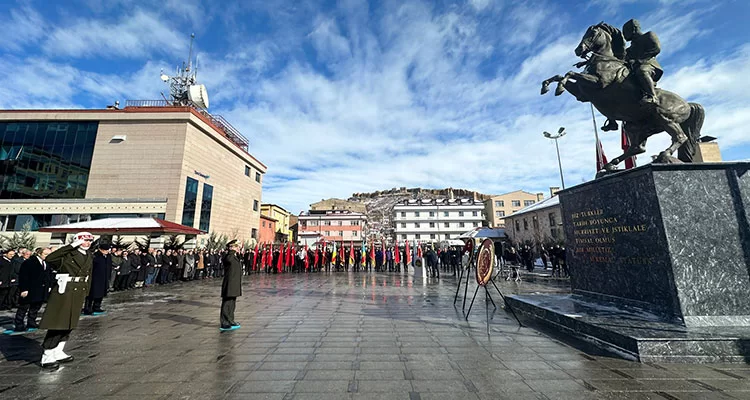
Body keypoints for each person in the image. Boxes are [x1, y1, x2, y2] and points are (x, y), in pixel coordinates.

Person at [39, 232, 95, 370]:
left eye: (89, 241)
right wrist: (70, 246)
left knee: (70, 323)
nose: (87, 243)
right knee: (58, 323)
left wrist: (86, 292)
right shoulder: (67, 254)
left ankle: (58, 350)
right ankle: (47, 354)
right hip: (65, 290)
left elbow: (89, 274)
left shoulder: (88, 255)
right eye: (85, 241)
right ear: (77, 241)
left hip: (79, 290)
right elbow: (50, 259)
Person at [623, 18, 663, 106]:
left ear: (634, 28)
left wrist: (639, 60)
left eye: (625, 31)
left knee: (642, 70)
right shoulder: (629, 49)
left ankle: (652, 97)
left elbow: (656, 48)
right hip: (635, 70)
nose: (624, 35)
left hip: (650, 66)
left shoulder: (648, 35)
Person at [13, 247, 52, 332]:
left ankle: (31, 321)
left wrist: (49, 286)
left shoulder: (46, 263)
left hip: (41, 289)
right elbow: (24, 276)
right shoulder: (29, 262)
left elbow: (48, 276)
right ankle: (19, 324)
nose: (47, 256)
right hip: (30, 289)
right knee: (23, 307)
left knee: (36, 307)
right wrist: (24, 289)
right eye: (45, 254)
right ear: (39, 253)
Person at [220, 240, 242, 331]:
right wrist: (231, 251)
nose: (238, 248)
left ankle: (230, 320)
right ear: (232, 248)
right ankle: (224, 322)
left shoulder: (234, 257)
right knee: (227, 303)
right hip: (229, 284)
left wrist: (237, 253)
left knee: (232, 303)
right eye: (236, 247)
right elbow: (228, 259)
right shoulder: (228, 256)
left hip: (234, 284)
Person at [83, 243, 111, 315]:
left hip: (104, 278)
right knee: (92, 294)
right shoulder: (95, 256)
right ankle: (87, 308)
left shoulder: (108, 256)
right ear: (101, 249)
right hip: (95, 278)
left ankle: (97, 306)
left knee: (101, 293)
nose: (107, 251)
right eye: (105, 250)